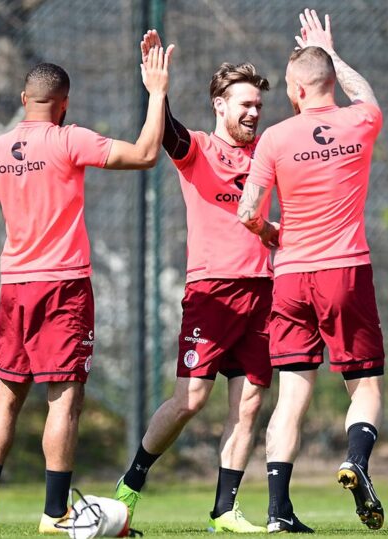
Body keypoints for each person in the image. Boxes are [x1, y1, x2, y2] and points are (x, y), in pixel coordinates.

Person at [0, 31, 173, 534]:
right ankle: (54, 513)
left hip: (14, 287)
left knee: (7, 394)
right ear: (64, 104)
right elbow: (147, 154)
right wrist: (156, 92)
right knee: (64, 398)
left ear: (24, 100)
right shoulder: (70, 139)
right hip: (63, 287)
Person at [113, 31, 275, 534]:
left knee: (248, 403)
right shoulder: (199, 149)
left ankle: (224, 510)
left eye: (259, 105)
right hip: (211, 293)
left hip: (264, 292)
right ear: (219, 105)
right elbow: (167, 136)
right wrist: (157, 91)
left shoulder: (268, 155)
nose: (253, 113)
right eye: (245, 104)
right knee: (191, 401)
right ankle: (129, 487)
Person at [238, 9, 385, 533]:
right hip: (345, 272)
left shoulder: (275, 139)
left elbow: (247, 212)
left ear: (296, 90)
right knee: (363, 386)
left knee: (292, 394)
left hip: (292, 276)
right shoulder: (361, 122)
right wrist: (334, 53)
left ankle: (278, 511)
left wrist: (272, 234)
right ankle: (356, 462)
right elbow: (365, 95)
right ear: (328, 83)